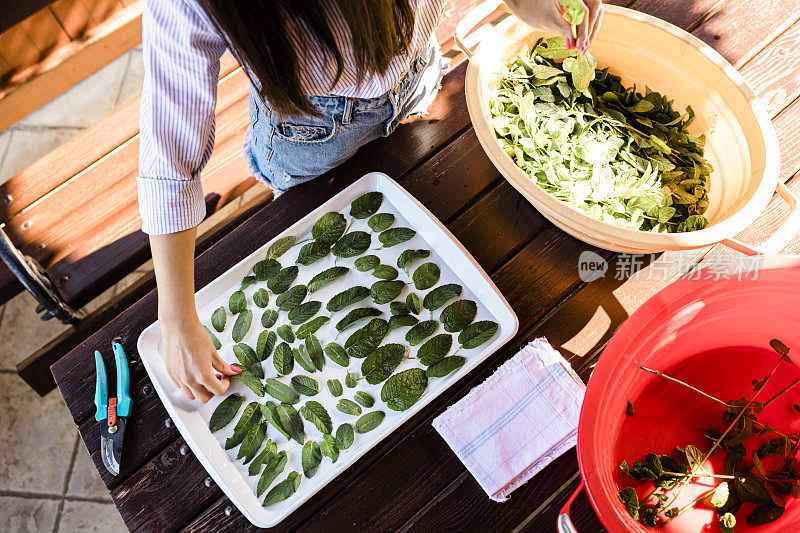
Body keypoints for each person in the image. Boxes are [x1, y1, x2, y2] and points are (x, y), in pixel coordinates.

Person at [140, 0, 604, 403]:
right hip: (312, 136)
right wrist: (177, 318)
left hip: (419, 77)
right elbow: (169, 158)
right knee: (314, 234)